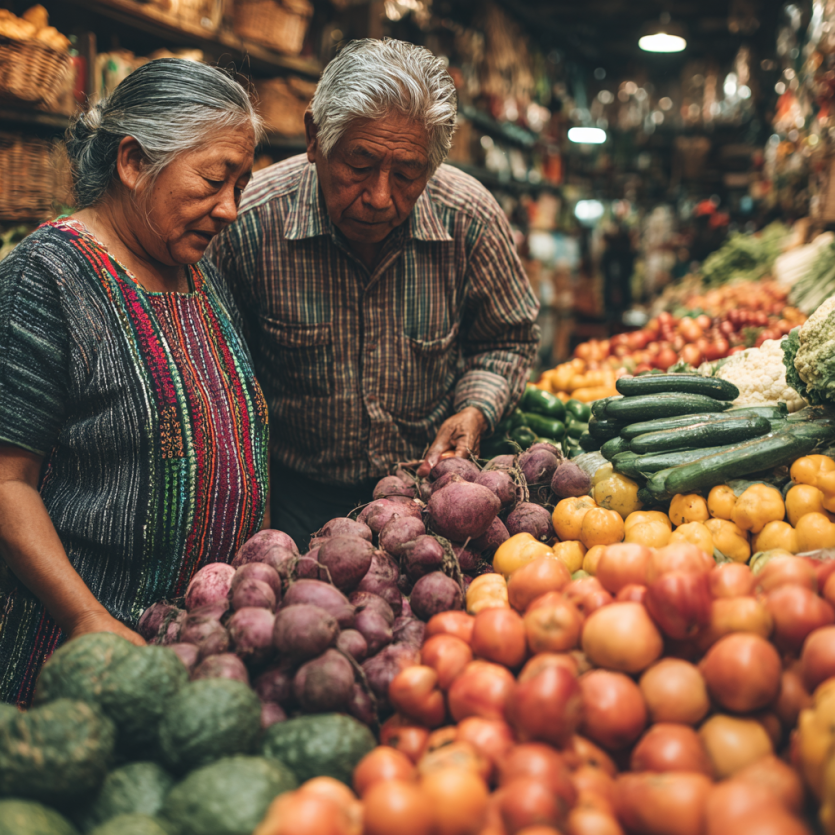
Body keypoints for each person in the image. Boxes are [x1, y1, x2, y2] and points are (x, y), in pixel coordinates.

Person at [0, 59, 268, 706]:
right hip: (77, 658)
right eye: (212, 179)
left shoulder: (200, 273)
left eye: (241, 183)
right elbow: (8, 482)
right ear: (131, 161)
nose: (229, 208)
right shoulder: (49, 277)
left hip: (192, 656)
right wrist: (85, 617)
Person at [208, 39, 540, 548]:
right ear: (315, 138)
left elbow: (508, 339)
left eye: (408, 174)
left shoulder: (469, 218)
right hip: (294, 499)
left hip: (432, 499)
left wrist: (475, 408)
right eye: (359, 165)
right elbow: (220, 386)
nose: (380, 197)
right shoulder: (248, 224)